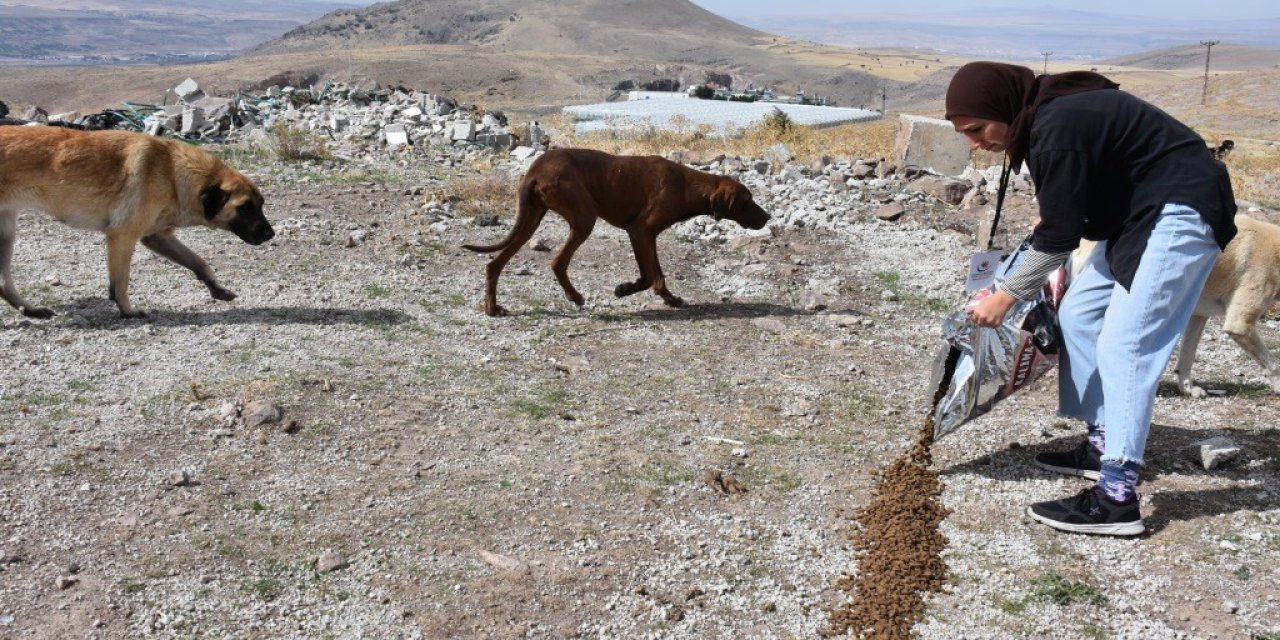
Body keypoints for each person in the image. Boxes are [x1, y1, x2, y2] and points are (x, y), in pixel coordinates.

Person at [944, 62, 1237, 536]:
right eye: (965, 134)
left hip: (1180, 210)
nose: (975, 144)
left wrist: (1005, 296)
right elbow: (1067, 212)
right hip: (1137, 214)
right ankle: (1102, 441)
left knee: (1128, 345)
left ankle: (1117, 497)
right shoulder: (1049, 118)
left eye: (977, 129)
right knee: (1079, 314)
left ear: (1002, 107)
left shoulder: (1056, 125)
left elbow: (1059, 239)